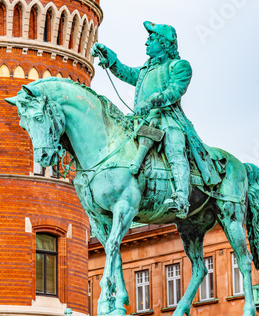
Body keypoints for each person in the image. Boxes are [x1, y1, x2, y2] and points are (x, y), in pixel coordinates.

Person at [91, 21, 222, 219]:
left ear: (163, 42)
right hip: (142, 120)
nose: (146, 43)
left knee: (174, 145)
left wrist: (152, 101)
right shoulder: (145, 70)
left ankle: (181, 197)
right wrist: (111, 58)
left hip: (168, 118)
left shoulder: (179, 66)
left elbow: (175, 91)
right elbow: (126, 73)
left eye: (151, 39)